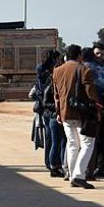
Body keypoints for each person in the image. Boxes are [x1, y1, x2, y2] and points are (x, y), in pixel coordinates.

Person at [53, 44, 101, 189]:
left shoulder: (57, 71)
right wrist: (97, 110)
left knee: (72, 144)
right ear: (79, 55)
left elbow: (56, 95)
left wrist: (58, 113)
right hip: (82, 113)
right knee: (87, 143)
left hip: (65, 113)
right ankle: (79, 176)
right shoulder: (84, 70)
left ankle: (71, 175)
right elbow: (91, 93)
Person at [37, 50, 65, 178]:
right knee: (55, 140)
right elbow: (45, 94)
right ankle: (53, 164)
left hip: (47, 111)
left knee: (51, 139)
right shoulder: (49, 75)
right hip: (50, 112)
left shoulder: (45, 71)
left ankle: (50, 163)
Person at [86, 43, 104, 179]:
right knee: (93, 139)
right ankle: (91, 167)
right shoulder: (89, 68)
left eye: (102, 53)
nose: (100, 56)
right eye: (97, 54)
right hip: (94, 108)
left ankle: (102, 168)